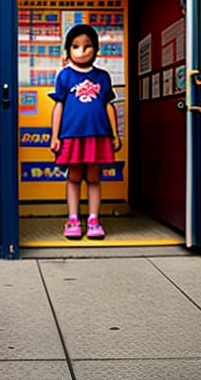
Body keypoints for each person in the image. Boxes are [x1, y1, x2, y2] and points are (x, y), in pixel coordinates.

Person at [49, 24, 121, 240]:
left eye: (87, 46)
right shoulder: (64, 76)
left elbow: (109, 105)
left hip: (98, 135)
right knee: (73, 177)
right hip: (71, 135)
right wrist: (55, 136)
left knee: (93, 178)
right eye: (76, 46)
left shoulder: (103, 76)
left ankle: (93, 220)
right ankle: (72, 219)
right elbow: (58, 106)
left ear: (96, 49)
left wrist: (115, 134)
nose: (82, 50)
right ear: (68, 50)